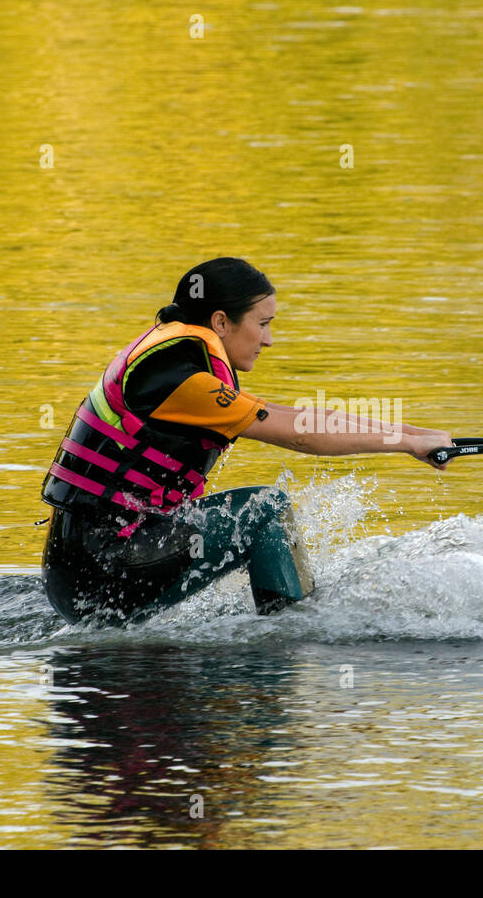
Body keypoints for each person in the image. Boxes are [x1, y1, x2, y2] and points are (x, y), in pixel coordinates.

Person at [40, 257, 453, 626]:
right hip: (100, 573)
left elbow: (298, 417)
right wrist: (405, 443)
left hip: (92, 564)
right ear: (221, 322)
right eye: (263, 323)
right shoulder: (180, 378)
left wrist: (416, 437)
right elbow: (301, 435)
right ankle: (294, 632)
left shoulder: (176, 358)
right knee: (263, 512)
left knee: (259, 509)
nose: (269, 340)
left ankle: (289, 613)